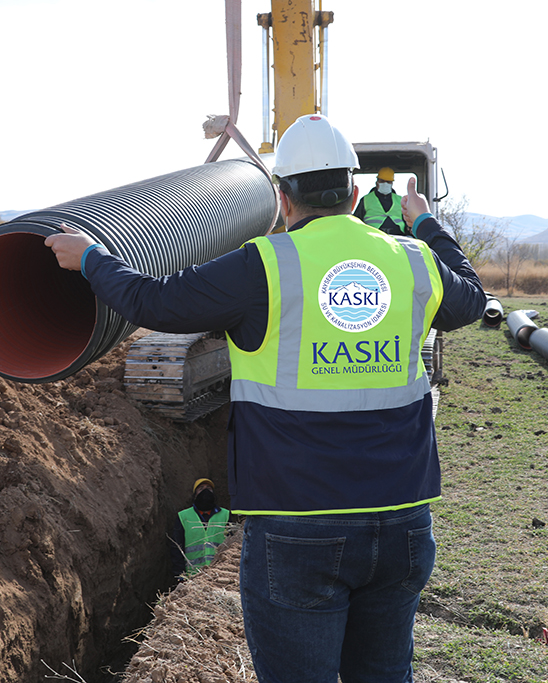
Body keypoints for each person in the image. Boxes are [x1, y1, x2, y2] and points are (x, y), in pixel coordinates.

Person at [46, 113, 485, 683]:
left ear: (282, 199)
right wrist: (425, 222)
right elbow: (472, 298)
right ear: (354, 195)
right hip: (402, 520)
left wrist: (91, 258)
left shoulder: (264, 266)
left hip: (299, 529)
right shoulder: (413, 260)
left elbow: (156, 303)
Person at [169, 478, 230, 578]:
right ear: (195, 495)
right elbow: (176, 547)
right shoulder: (184, 516)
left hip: (220, 575)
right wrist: (180, 574)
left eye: (208, 488)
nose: (205, 491)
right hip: (193, 576)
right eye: (201, 488)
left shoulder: (225, 515)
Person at [355, 166, 408, 236]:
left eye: (388, 182)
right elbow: (357, 220)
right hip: (372, 236)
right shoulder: (365, 199)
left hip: (398, 237)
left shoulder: (400, 200)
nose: (385, 184)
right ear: (377, 182)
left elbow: (407, 220)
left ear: (392, 183)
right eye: (382, 181)